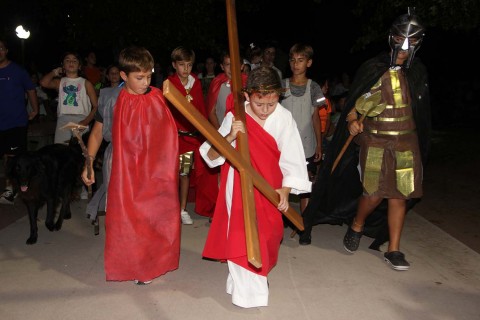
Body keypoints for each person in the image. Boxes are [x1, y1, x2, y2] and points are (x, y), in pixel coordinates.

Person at [300, 9, 431, 272]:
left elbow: (421, 112)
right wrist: (352, 120)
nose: (405, 47)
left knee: (400, 195)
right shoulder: (374, 68)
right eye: (400, 39)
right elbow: (353, 104)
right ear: (391, 38)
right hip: (375, 142)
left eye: (412, 41)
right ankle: (357, 224)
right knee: (373, 194)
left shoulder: (417, 73)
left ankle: (394, 249)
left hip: (406, 143)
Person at [199, 66, 311, 308]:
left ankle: (243, 283)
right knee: (243, 234)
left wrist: (287, 189)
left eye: (271, 104)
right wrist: (229, 136)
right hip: (238, 185)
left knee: (269, 234)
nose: (265, 110)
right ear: (248, 96)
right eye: (260, 104)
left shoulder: (283, 117)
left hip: (270, 187)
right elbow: (210, 155)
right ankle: (249, 292)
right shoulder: (234, 116)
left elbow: (292, 157)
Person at [82, 46, 180, 284]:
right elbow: (96, 134)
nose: (146, 82)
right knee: (125, 218)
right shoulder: (109, 99)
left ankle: (149, 264)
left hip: (152, 168)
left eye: (149, 76)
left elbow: (167, 136)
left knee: (152, 217)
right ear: (123, 75)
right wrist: (88, 163)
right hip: (120, 167)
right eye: (139, 77)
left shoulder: (157, 97)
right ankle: (129, 262)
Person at [281, 43, 324, 213]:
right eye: (293, 60)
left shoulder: (314, 88)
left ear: (309, 63)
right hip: (284, 144)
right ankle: (284, 215)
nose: (295, 64)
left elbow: (316, 117)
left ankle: (304, 221)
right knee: (283, 180)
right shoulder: (282, 86)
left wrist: (319, 144)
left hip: (307, 144)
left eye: (300, 60)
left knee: (306, 182)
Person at [167, 46, 208, 224]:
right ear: (174, 65)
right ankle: (170, 208)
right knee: (170, 175)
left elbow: (200, 110)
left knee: (184, 174)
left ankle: (182, 209)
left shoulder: (196, 84)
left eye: (189, 65)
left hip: (189, 139)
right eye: (182, 65)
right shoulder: (169, 84)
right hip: (172, 139)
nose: (186, 69)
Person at [0, 39, 39, 205]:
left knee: (12, 157)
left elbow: (31, 89)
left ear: (6, 50)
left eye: (0, 48)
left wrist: (35, 109)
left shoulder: (17, 71)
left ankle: (11, 189)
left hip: (15, 122)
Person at [40, 52, 98, 145]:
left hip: (81, 119)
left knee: (80, 152)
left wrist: (86, 121)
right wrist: (54, 72)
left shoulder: (86, 83)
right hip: (63, 119)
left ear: (79, 66)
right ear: (63, 65)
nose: (71, 62)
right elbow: (43, 83)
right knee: (61, 151)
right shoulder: (59, 82)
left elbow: (96, 106)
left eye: (74, 60)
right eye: (67, 60)